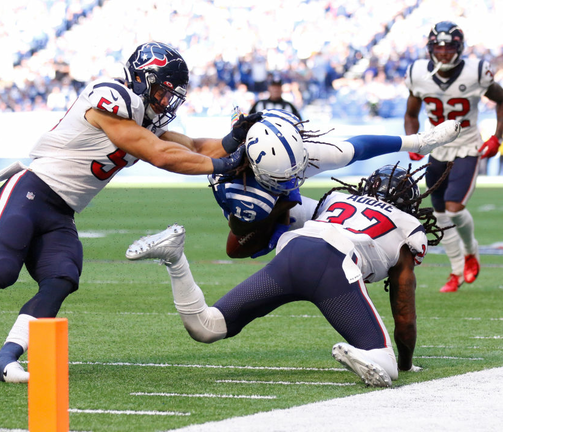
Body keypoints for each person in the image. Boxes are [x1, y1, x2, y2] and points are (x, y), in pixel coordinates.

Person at [0, 42, 262, 383]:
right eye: (162, 90)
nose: (166, 101)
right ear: (141, 78)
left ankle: (4, 358)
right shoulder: (111, 98)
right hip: (28, 193)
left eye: (171, 95)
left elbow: (195, 146)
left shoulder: (143, 118)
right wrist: (227, 165)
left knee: (62, 276)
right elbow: (161, 155)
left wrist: (237, 141)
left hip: (60, 212)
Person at [126, 163, 452, 387]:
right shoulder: (409, 228)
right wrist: (407, 361)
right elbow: (405, 315)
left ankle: (175, 259)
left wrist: (252, 200)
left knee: (207, 326)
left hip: (293, 253)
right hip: (333, 264)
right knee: (388, 366)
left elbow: (269, 218)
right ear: (410, 203)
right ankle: (363, 353)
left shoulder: (336, 199)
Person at [209, 109, 461, 258]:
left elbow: (359, 147)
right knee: (241, 245)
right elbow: (237, 239)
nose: (292, 179)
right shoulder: (238, 188)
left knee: (344, 153)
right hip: (258, 195)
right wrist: (283, 207)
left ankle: (420, 140)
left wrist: (418, 143)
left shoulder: (296, 154)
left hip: (282, 165)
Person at [403, 21, 503, 293]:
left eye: (449, 47)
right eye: (439, 46)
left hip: (467, 146)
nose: (444, 52)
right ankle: (456, 271)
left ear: (459, 48)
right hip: (438, 148)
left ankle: (471, 252)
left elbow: (502, 99)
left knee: (454, 207)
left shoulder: (475, 71)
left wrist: (497, 137)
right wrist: (414, 140)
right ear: (430, 48)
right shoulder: (417, 73)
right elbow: (411, 114)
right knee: (438, 214)